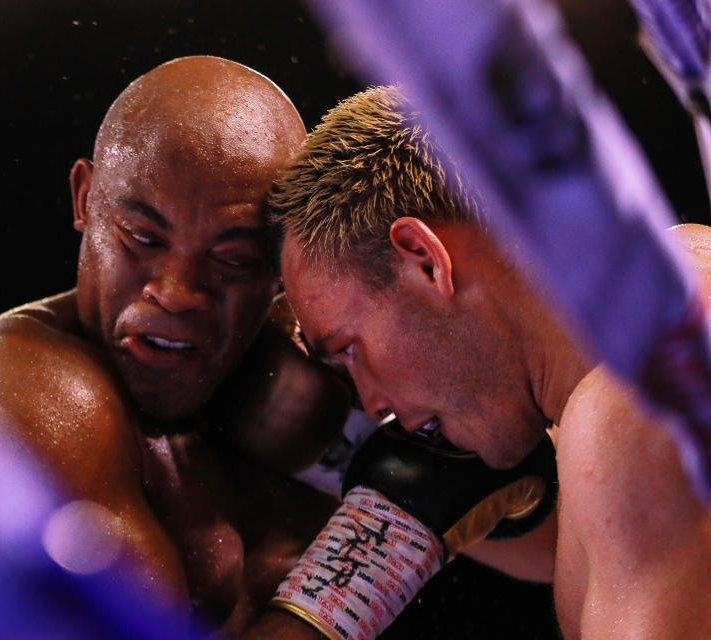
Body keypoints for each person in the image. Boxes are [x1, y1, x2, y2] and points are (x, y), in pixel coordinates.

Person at [245, 85, 711, 640]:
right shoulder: (678, 285)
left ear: (423, 261)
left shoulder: (626, 410)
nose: (372, 403)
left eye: (349, 348)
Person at [0, 56, 352, 634]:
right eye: (142, 238)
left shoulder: (312, 361)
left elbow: (505, 523)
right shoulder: (31, 401)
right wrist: (382, 552)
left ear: (283, 270)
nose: (176, 292)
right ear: (84, 199)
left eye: (233, 260)